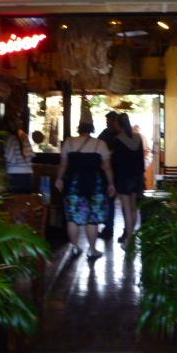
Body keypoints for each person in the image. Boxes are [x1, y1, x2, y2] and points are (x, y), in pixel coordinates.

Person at [56, 120, 116, 259]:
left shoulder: (69, 142)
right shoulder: (100, 144)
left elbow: (63, 165)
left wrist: (59, 179)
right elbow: (107, 167)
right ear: (92, 129)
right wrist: (111, 184)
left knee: (72, 218)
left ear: (79, 129)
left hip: (73, 185)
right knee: (92, 219)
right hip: (95, 185)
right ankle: (92, 250)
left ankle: (74, 247)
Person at [112, 113, 145, 249]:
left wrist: (114, 180)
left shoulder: (118, 140)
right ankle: (131, 238)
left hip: (124, 178)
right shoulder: (138, 138)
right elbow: (141, 160)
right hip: (136, 177)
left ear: (119, 124)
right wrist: (140, 176)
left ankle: (129, 240)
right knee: (133, 209)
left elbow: (117, 163)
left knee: (126, 209)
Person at [0, 115, 35, 193]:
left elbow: (11, 159)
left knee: (14, 199)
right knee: (26, 199)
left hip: (14, 175)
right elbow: (30, 156)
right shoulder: (24, 136)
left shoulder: (10, 139)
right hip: (28, 174)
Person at [98, 111, 120, 239]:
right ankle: (108, 227)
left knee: (111, 201)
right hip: (106, 171)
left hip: (117, 171)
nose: (108, 124)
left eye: (110, 121)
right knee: (108, 201)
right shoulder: (105, 134)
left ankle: (109, 228)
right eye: (107, 121)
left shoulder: (119, 134)